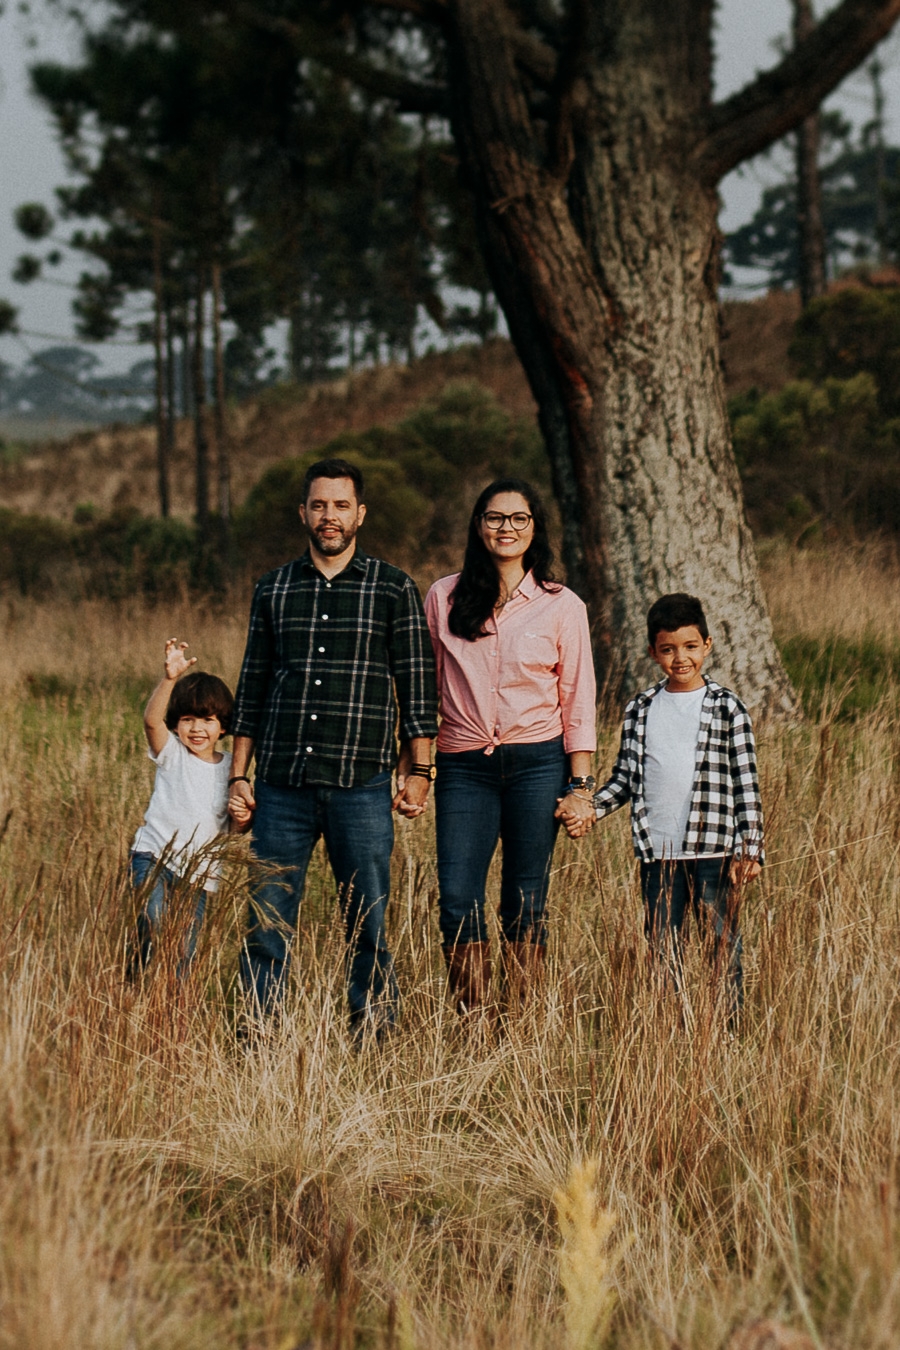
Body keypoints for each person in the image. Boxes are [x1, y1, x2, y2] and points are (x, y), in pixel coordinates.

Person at [228, 457, 438, 1037]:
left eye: (341, 505)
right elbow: (252, 687)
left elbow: (417, 688)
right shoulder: (273, 588)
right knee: (267, 918)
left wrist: (420, 770)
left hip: (360, 785)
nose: (329, 516)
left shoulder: (392, 588)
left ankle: (373, 1026)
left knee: (368, 920)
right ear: (302, 512)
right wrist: (239, 776)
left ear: (360, 514)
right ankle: (259, 1028)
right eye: (319, 505)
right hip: (281, 786)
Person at [424, 477, 597, 1017]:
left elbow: (577, 699)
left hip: (537, 765)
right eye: (495, 518)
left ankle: (518, 1026)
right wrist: (418, 767)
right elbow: (426, 689)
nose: (507, 528)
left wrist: (581, 786)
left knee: (525, 898)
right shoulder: (443, 597)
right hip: (463, 766)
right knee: (458, 896)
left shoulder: (562, 605)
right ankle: (474, 1023)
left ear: (534, 528)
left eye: (519, 518)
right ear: (479, 526)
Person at [558, 592, 764, 1019]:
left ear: (707, 645)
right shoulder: (640, 709)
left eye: (690, 646)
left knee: (721, 943)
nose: (680, 658)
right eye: (668, 649)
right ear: (653, 652)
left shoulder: (727, 708)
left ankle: (725, 1029)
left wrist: (751, 848)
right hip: (659, 854)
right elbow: (625, 779)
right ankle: (669, 1030)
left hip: (714, 852)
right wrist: (590, 807)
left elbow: (746, 784)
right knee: (662, 945)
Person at [129, 639, 251, 978]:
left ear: (223, 726)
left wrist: (242, 818)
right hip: (153, 856)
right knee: (153, 919)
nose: (197, 729)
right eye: (187, 720)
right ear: (176, 724)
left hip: (199, 874)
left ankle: (175, 1001)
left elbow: (233, 829)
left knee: (186, 949)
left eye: (207, 720)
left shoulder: (232, 769)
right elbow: (151, 722)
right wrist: (170, 679)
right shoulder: (172, 754)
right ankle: (135, 978)